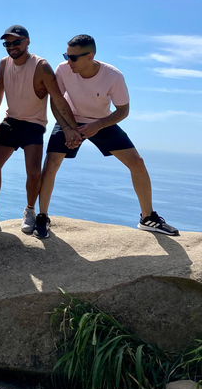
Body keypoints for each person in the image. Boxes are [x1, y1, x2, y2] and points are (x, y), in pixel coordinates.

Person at [35, 34, 179, 238]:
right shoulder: (63, 69)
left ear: (90, 56)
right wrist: (69, 129)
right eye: (66, 56)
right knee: (51, 163)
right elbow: (57, 101)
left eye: (73, 57)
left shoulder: (113, 76)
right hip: (69, 120)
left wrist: (98, 125)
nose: (68, 61)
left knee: (137, 162)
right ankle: (42, 216)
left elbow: (123, 110)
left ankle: (148, 218)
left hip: (101, 122)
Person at [0, 25, 82, 236]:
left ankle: (30, 211)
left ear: (27, 42)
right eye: (7, 43)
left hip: (34, 124)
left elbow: (58, 99)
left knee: (33, 171)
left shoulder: (41, 66)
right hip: (11, 120)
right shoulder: (4, 63)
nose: (12, 47)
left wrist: (72, 129)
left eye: (16, 42)